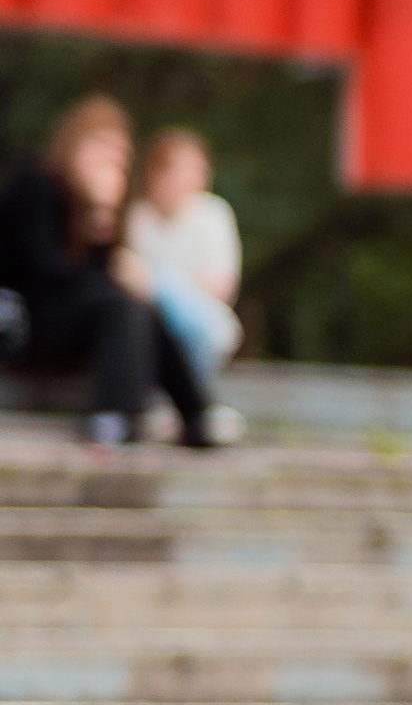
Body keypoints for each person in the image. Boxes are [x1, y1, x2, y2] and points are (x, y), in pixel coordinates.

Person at [0, 96, 217, 450]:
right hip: (26, 323)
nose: (110, 160)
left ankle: (195, 416)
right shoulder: (36, 186)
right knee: (120, 303)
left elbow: (102, 274)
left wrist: (103, 219)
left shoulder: (103, 206)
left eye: (119, 153)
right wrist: (99, 216)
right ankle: (117, 414)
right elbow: (49, 273)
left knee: (139, 308)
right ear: (75, 143)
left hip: (75, 324)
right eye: (101, 147)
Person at [125, 127, 246, 431]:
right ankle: (193, 407)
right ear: (156, 173)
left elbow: (221, 284)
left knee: (190, 318)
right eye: (182, 169)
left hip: (201, 321)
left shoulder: (213, 215)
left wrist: (165, 284)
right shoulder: (136, 217)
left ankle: (186, 405)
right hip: (149, 322)